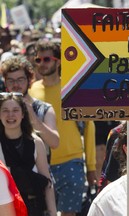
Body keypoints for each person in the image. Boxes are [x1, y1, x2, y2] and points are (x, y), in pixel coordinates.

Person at [29, 39, 97, 216]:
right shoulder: (30, 92)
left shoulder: (71, 87)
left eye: (46, 59)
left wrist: (90, 167)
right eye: (38, 60)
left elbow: (89, 127)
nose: (41, 64)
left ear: (58, 61)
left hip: (71, 163)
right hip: (40, 165)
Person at [0, 92, 57, 215]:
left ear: (22, 114)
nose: (10, 115)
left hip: (35, 207)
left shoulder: (36, 142)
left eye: (15, 110)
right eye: (5, 110)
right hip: (7, 208)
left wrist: (52, 212)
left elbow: (47, 183)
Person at [1, 55, 59, 163]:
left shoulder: (44, 109)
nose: (16, 85)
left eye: (20, 80)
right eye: (11, 80)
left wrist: (32, 115)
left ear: (29, 80)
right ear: (5, 83)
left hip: (38, 173)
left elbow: (54, 143)